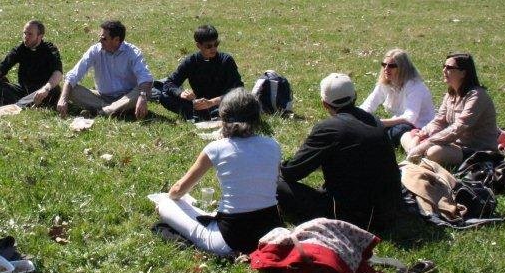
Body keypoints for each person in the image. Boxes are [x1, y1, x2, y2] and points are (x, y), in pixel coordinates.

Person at [156, 89, 282, 256]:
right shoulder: (273, 145)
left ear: (224, 117)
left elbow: (179, 189)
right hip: (271, 231)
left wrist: (168, 198)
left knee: (165, 205)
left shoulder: (216, 148)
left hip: (230, 239)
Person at [277, 73, 402, 232]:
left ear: (324, 103)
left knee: (278, 185)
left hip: (352, 217)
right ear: (355, 96)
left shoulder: (329, 128)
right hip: (389, 211)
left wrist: (279, 166)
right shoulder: (374, 121)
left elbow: (292, 172)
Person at [404, 53, 500, 167]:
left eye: (449, 68)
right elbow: (439, 121)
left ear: (463, 73)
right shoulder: (451, 94)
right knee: (406, 136)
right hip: (454, 144)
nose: (444, 70)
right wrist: (419, 136)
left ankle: (418, 156)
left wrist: (427, 144)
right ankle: (417, 155)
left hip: (477, 150)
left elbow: (458, 128)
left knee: (433, 152)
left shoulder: (477, 96)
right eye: (444, 66)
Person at [57, 20, 153, 119]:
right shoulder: (95, 50)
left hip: (127, 97)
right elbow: (73, 75)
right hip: (101, 97)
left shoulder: (133, 53)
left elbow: (145, 78)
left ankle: (103, 111)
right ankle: (115, 110)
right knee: (70, 89)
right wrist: (63, 99)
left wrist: (142, 97)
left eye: (104, 38)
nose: (100, 41)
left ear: (116, 40)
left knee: (143, 92)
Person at [158, 24, 243, 120]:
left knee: (241, 102)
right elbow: (169, 83)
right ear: (199, 45)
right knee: (164, 96)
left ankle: (201, 116)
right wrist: (180, 93)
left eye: (216, 44)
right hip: (198, 104)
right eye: (209, 46)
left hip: (221, 103)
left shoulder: (226, 60)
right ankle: (201, 116)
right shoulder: (191, 61)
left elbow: (239, 89)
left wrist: (212, 102)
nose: (213, 49)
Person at [358, 48, 435, 149]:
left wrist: (379, 123)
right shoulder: (384, 84)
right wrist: (357, 117)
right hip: (397, 122)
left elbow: (409, 118)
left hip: (418, 127)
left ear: (403, 68)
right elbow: (368, 105)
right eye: (384, 64)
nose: (386, 68)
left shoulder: (415, 86)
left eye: (392, 66)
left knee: (398, 130)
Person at [0, 20, 63, 109]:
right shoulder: (20, 49)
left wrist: (46, 89)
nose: (26, 37)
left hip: (42, 91)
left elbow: (58, 73)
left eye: (30, 34)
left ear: (40, 36)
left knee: (54, 90)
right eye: (25, 33)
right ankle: (24, 103)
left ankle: (20, 104)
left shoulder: (50, 50)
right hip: (23, 90)